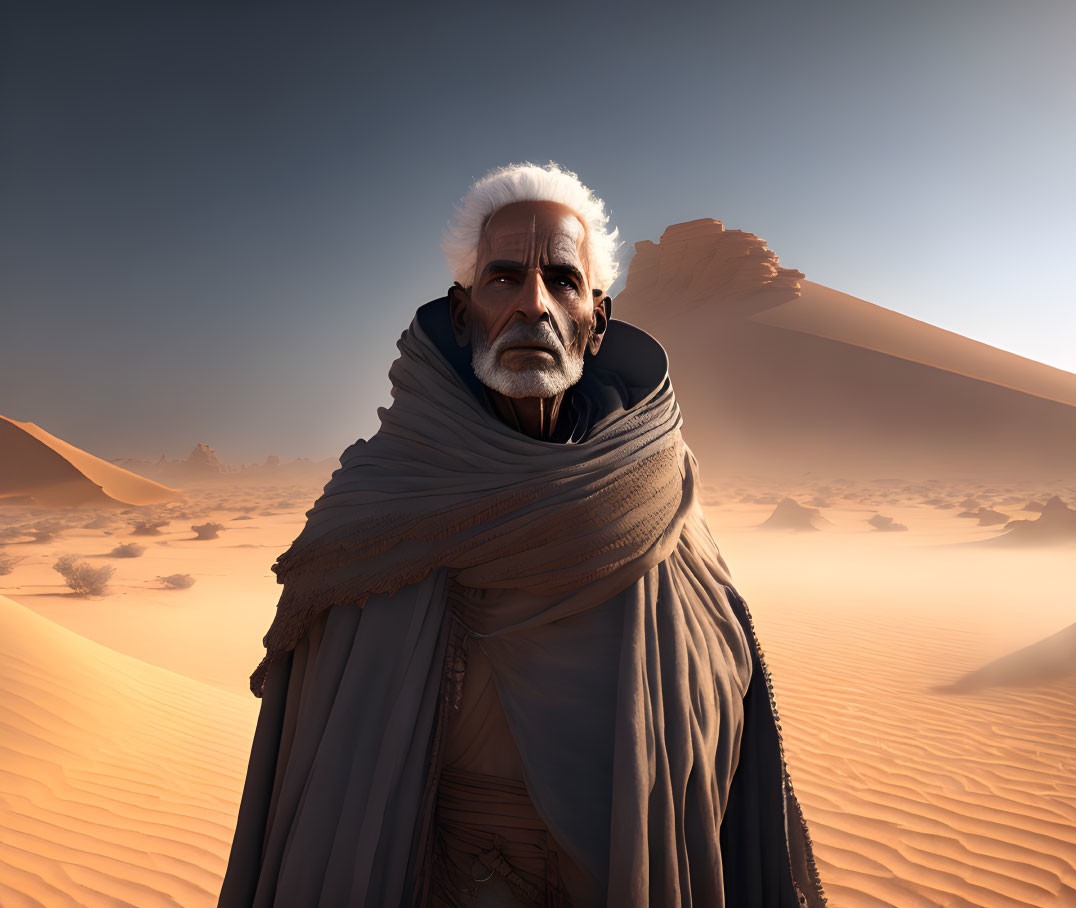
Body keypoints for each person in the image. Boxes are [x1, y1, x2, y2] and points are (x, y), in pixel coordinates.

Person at [218, 161, 826, 907]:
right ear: (463, 308)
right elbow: (329, 777)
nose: (532, 305)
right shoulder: (378, 506)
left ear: (596, 322)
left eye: (562, 282)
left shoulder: (659, 500)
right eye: (503, 279)